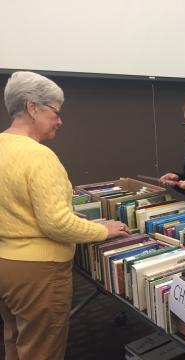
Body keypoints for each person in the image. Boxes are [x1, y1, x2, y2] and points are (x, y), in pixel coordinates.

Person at [0, 71, 130, 360]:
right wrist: (104, 230)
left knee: (15, 340)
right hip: (38, 274)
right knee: (41, 351)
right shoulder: (39, 156)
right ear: (33, 108)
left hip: (6, 265)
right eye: (56, 111)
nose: (60, 120)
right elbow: (57, 224)